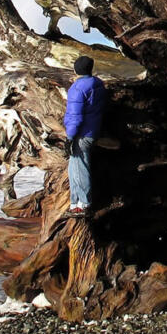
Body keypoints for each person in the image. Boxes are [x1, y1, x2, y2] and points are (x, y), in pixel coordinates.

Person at [63, 55, 107, 217]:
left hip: (81, 134)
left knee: (79, 168)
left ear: (76, 69)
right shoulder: (98, 84)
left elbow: (75, 116)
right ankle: (75, 203)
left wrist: (69, 136)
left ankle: (84, 204)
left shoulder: (78, 87)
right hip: (93, 130)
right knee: (74, 167)